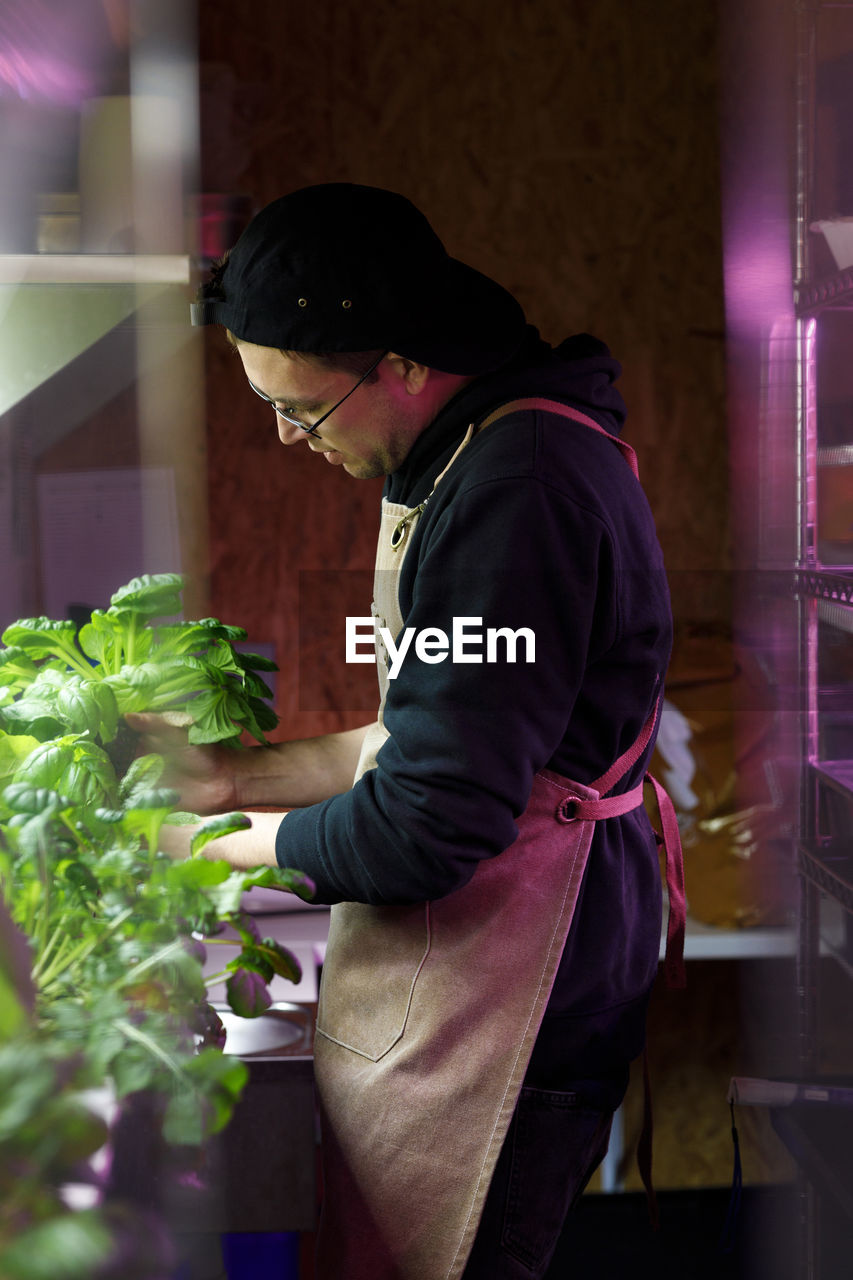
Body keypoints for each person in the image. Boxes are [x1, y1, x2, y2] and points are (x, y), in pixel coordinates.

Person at [145, 183, 685, 1280]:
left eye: (301, 409)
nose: (288, 438)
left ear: (397, 361)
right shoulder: (481, 445)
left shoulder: (515, 490)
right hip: (519, 950)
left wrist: (207, 846)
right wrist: (228, 779)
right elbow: (431, 728)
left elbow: (427, 820)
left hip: (521, 990)